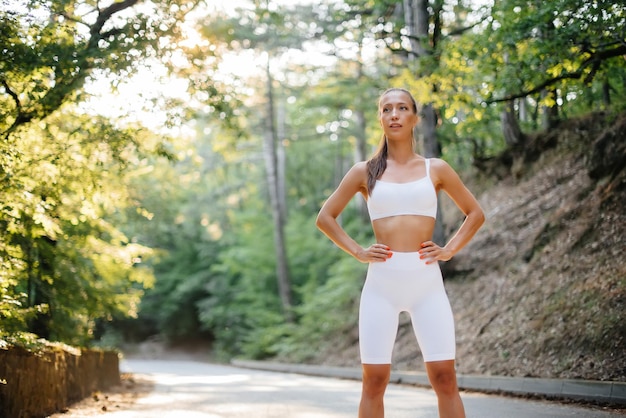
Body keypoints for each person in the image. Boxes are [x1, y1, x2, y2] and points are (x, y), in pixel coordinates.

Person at [315, 88, 485, 418]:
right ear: (380, 118)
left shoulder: (435, 169)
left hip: (427, 284)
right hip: (381, 286)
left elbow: (475, 213)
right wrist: (358, 252)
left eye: (402, 108)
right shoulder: (364, 171)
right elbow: (325, 218)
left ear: (414, 118)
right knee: (374, 381)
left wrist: (449, 250)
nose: (394, 114)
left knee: (445, 378)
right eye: (387, 109)